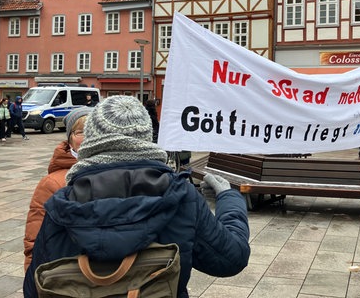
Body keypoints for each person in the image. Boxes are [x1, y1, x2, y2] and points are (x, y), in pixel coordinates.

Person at [23, 95, 250, 298]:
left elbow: (34, 287)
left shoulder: (63, 201)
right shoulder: (181, 195)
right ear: (145, 136)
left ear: (92, 139)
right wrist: (230, 198)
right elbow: (231, 259)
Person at [23, 107, 92, 271]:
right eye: (81, 132)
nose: (88, 137)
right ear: (70, 140)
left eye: (93, 131)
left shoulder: (117, 174)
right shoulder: (52, 183)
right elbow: (35, 240)